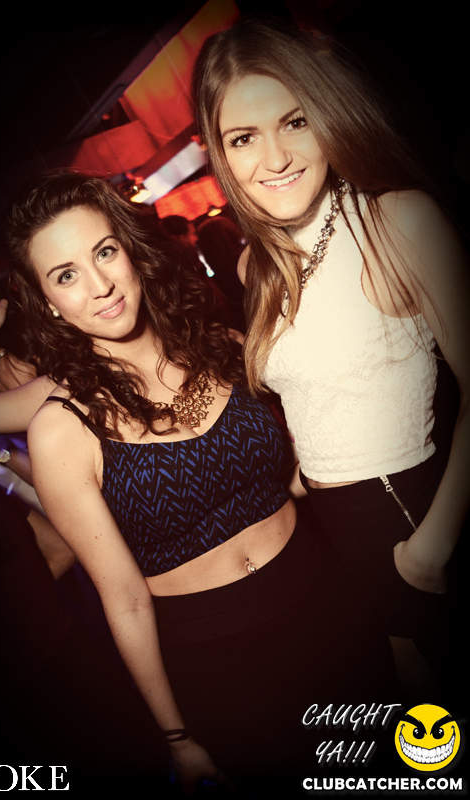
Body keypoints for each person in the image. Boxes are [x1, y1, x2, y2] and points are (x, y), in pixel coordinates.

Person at [0, 170, 399, 792]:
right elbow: (123, 597)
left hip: (329, 600)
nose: (99, 285)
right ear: (47, 302)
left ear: (129, 251)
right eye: (66, 275)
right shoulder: (62, 426)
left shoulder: (220, 344)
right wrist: (177, 737)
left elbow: (298, 474)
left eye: (104, 252)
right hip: (220, 661)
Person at [191, 16, 470, 687]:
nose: (275, 159)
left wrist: (433, 545)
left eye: (293, 122)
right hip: (337, 528)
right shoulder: (255, 268)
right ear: (220, 153)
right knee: (418, 712)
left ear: (325, 116)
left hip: (412, 510)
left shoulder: (395, 220)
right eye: (243, 137)